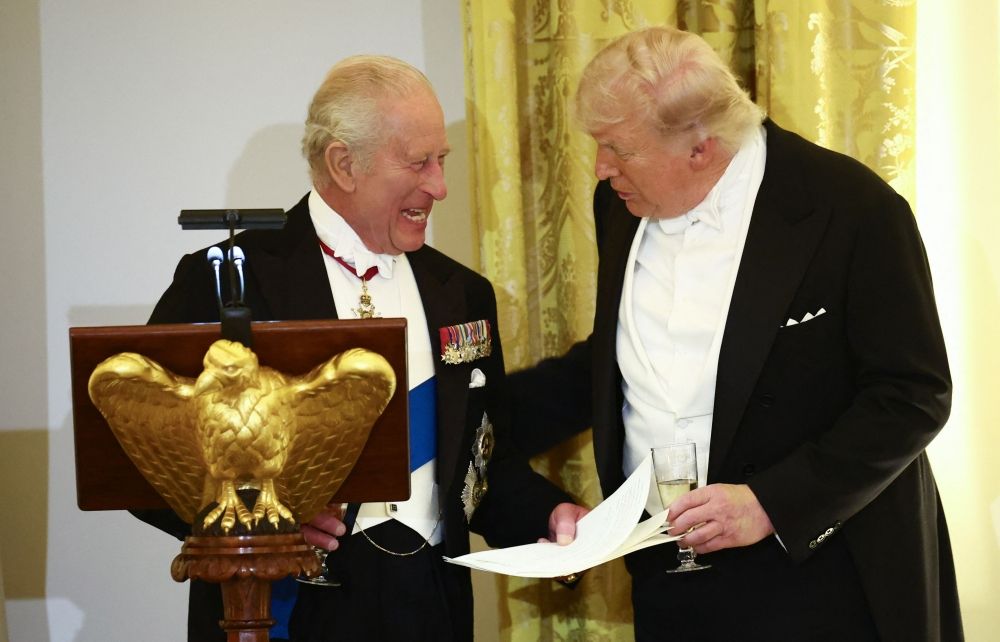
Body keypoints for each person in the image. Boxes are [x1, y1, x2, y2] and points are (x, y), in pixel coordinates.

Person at [508, 26, 962, 641]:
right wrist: (467, 417)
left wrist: (771, 503)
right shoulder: (618, 203)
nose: (600, 167)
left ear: (700, 147)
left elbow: (913, 394)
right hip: (668, 578)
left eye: (618, 148)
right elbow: (624, 357)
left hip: (820, 579)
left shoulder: (853, 209)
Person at [135, 54, 586, 642]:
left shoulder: (462, 293)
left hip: (430, 606)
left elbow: (480, 461)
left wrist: (547, 514)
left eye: (442, 160)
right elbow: (139, 451)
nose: (440, 186)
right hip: (282, 607)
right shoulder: (230, 281)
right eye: (418, 162)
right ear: (343, 164)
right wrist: (254, 522)